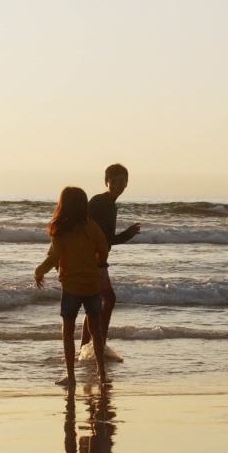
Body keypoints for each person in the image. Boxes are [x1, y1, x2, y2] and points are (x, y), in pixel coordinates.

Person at [35, 186, 111, 386]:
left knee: (68, 331)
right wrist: (96, 258)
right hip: (92, 285)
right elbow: (103, 249)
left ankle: (71, 376)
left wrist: (39, 271)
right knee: (96, 329)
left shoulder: (60, 229)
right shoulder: (92, 226)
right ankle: (102, 374)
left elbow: (54, 256)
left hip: (71, 286)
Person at [79, 164, 141, 361]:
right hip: (93, 259)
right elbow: (84, 226)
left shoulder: (111, 205)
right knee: (107, 300)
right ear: (106, 182)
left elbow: (108, 238)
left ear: (126, 184)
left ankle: (86, 348)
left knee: (94, 303)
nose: (116, 185)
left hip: (97, 258)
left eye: (121, 182)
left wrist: (127, 235)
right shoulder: (99, 202)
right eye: (113, 181)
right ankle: (99, 345)